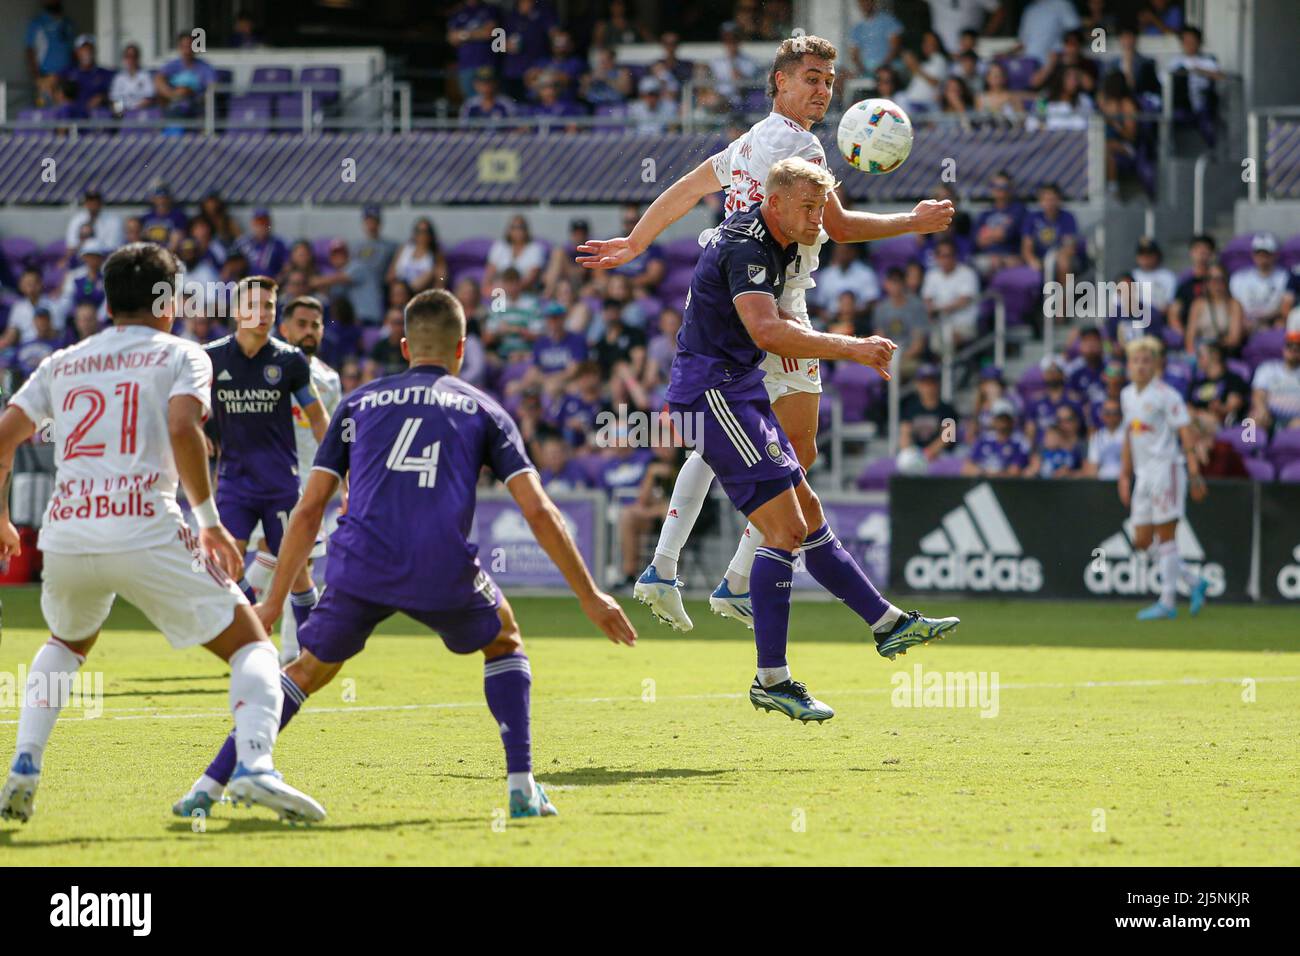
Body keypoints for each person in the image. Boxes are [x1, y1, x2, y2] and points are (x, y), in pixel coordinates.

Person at [173, 289, 636, 819]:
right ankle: (522, 787)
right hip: (443, 566)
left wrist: (275, 600)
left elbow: (308, 511)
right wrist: (590, 593)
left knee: (306, 669)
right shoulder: (484, 408)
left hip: (358, 565)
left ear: (402, 345)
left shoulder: (358, 403)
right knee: (505, 640)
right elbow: (538, 510)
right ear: (461, 349)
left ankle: (206, 788)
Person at [577, 35, 953, 632]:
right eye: (810, 78)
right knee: (787, 451)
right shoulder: (797, 146)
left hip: (744, 297)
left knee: (745, 437)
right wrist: (915, 221)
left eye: (829, 81)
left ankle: (678, 569)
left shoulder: (755, 138)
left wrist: (638, 241)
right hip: (773, 304)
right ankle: (719, 579)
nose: (822, 90)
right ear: (779, 81)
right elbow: (844, 228)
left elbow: (689, 187)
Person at [0, 242, 323, 825]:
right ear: (166, 300)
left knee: (65, 644)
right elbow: (182, 427)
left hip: (67, 534)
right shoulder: (183, 355)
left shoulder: (62, 361)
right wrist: (209, 523)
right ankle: (254, 765)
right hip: (145, 527)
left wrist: (1, 518)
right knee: (252, 644)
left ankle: (24, 763)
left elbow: (4, 436)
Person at [661, 156, 959, 722]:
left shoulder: (777, 233)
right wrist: (853, 347)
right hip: (714, 394)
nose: (817, 218)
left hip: (739, 387)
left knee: (809, 513)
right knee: (787, 530)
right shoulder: (750, 246)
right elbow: (767, 330)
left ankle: (887, 624)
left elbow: (780, 316)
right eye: (806, 206)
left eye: (821, 206)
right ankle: (771, 678)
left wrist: (907, 221)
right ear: (774, 203)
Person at [203, 277, 328, 610]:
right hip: (234, 484)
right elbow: (184, 407)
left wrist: (338, 467)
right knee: (224, 565)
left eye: (269, 306)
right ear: (237, 310)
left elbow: (317, 417)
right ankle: (252, 638)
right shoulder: (210, 358)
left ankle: (307, 654)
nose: (262, 312)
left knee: (299, 573)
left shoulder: (290, 361)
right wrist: (200, 431)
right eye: (253, 305)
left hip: (281, 486)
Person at [245, 296, 343, 664]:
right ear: (283, 328)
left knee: (300, 566)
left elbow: (333, 433)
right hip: (267, 478)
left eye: (315, 325)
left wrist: (344, 479)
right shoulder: (267, 367)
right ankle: (245, 626)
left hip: (311, 482)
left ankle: (283, 650)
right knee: (281, 560)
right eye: (301, 324)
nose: (309, 331)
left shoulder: (329, 379)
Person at [1118, 336, 1210, 620]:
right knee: (1142, 540)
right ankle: (1194, 581)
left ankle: (1167, 602)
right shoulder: (1126, 395)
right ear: (1129, 365)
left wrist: (1194, 471)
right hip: (1143, 473)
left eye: (1147, 361)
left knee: (1166, 535)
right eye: (1136, 361)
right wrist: (1124, 474)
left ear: (1157, 364)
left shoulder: (1167, 395)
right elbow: (1128, 435)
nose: (1141, 366)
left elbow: (1185, 432)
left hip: (1166, 468)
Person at [899, 364, 959, 465]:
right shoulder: (910, 408)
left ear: (937, 384)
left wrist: (928, 453)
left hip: (941, 455)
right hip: (916, 453)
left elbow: (947, 437)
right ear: (918, 385)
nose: (928, 387)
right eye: (924, 383)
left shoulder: (948, 409)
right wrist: (909, 451)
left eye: (931, 383)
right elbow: (905, 434)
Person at [350, 205, 397, 325]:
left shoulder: (390, 246)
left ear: (380, 223)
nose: (371, 225)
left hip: (379, 290)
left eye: (374, 221)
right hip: (358, 292)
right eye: (368, 221)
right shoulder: (356, 247)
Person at [1250, 322, 1300, 434]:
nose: (1293, 349)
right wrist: (1262, 409)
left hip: (1297, 419)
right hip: (1270, 416)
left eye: (1297, 347)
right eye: (1289, 345)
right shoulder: (1267, 368)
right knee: (1253, 419)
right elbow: (1258, 394)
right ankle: (1251, 449)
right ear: (1283, 348)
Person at [154, 31, 218, 117]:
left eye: (190, 46)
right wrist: (173, 95)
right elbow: (158, 79)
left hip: (197, 109)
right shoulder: (172, 65)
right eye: (184, 46)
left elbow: (213, 87)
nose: (187, 50)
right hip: (173, 106)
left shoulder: (205, 67)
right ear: (179, 47)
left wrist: (191, 94)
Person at [1189, 339, 1249, 427]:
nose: (1197, 359)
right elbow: (1188, 407)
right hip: (1197, 422)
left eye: (1200, 355)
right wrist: (1200, 415)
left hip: (1221, 426)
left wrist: (1219, 409)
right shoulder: (1196, 383)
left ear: (1215, 356)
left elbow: (1232, 408)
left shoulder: (1233, 380)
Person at [963, 398, 1029, 476]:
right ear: (994, 419)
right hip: (982, 483)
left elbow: (1014, 471)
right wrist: (984, 473)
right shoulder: (984, 439)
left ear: (1012, 420)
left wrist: (993, 475)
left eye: (1005, 419)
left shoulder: (1019, 442)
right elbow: (967, 467)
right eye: (999, 418)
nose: (1002, 423)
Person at [232, 208, 290, 279]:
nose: (262, 226)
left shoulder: (279, 244)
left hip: (269, 285)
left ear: (270, 224)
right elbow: (230, 266)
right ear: (252, 224)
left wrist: (278, 280)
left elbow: (287, 266)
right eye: (258, 222)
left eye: (265, 222)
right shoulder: (242, 243)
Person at [1083, 397, 1125, 479]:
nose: (1111, 416)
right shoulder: (1096, 437)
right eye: (1107, 412)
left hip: (1123, 481)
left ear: (1121, 415)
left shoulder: (1128, 435)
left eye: (1115, 412)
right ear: (1102, 415)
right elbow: (1093, 465)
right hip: (1103, 482)